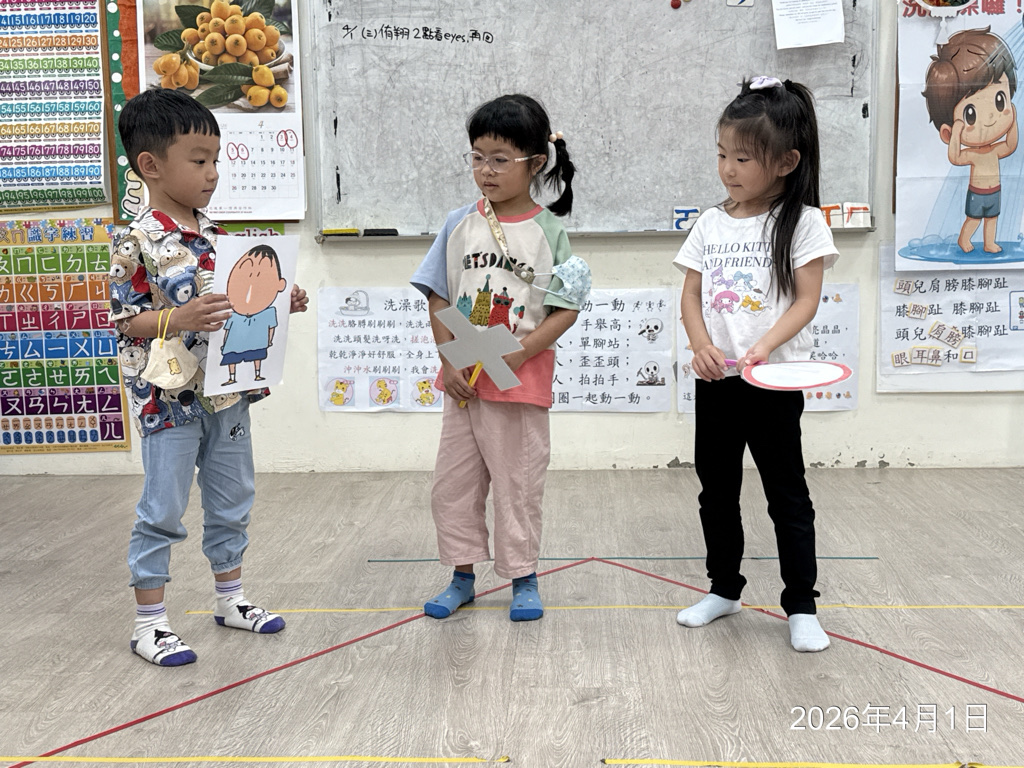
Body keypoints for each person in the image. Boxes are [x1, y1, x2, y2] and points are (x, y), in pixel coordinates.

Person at [111, 88, 308, 666]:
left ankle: (230, 598)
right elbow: (124, 322)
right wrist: (176, 318)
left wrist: (280, 298)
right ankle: (149, 623)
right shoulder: (135, 239)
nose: (213, 173)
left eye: (216, 160)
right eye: (199, 160)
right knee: (163, 507)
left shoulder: (220, 236)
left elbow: (239, 301)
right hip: (167, 400)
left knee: (233, 496)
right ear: (151, 165)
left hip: (227, 393)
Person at [673, 77, 839, 653]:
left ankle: (801, 605)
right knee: (715, 492)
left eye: (742, 158)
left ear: (787, 161)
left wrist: (765, 346)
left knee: (786, 496)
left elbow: (807, 300)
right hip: (717, 382)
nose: (728, 169)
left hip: (772, 382)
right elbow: (691, 295)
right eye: (722, 154)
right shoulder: (710, 223)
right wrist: (700, 344)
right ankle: (724, 589)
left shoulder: (804, 222)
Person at [410, 94, 584, 622]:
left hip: (518, 383)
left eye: (500, 159)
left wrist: (517, 353)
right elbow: (438, 294)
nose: (486, 170)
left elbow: (566, 308)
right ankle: (462, 577)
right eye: (477, 157)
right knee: (454, 486)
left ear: (535, 162)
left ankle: (523, 578)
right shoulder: (458, 223)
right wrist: (449, 361)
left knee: (518, 486)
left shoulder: (549, 231)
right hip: (463, 385)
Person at [923, 26, 1018, 255]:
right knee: (973, 219)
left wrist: (1013, 120)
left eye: (1000, 100)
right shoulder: (973, 155)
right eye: (971, 114)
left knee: (992, 219)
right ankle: (964, 239)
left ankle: (989, 244)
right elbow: (955, 157)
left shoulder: (994, 151)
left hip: (994, 191)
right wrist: (957, 133)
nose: (991, 118)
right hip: (977, 192)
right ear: (946, 133)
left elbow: (1010, 145)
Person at [219, 244, 288, 386]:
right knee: (232, 359)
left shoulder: (269, 312)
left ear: (280, 284)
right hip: (229, 347)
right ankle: (233, 377)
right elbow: (227, 330)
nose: (251, 282)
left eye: (262, 277)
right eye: (243, 277)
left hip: (257, 346)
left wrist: (285, 306)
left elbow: (272, 328)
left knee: (257, 357)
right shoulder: (232, 315)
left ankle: (256, 375)